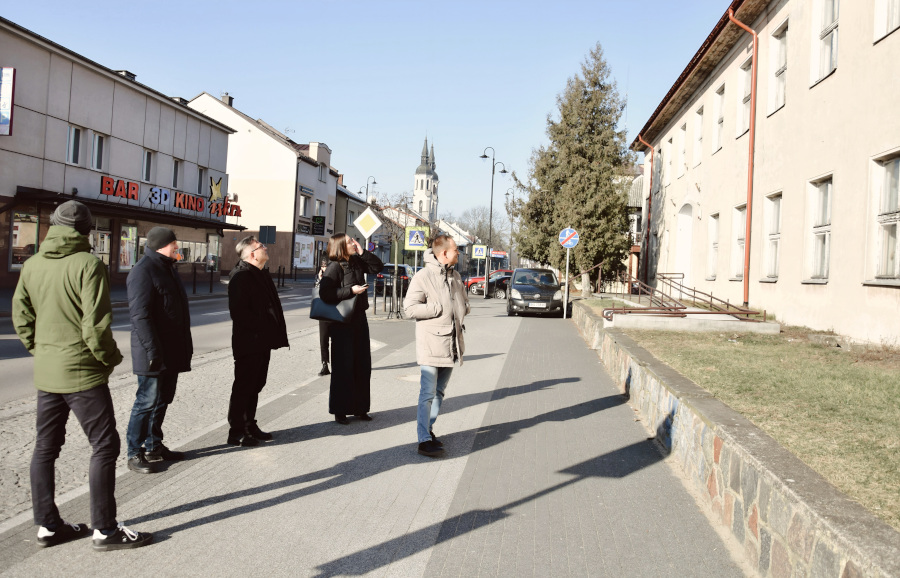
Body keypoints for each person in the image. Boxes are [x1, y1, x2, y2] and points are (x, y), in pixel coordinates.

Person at [12, 200, 151, 550]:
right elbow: (96, 326)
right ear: (87, 229)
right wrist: (109, 359)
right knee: (104, 445)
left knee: (45, 447)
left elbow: (21, 316)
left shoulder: (31, 264)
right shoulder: (89, 264)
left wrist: (40, 349)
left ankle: (47, 525)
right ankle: (104, 529)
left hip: (47, 370)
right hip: (83, 372)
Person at [125, 227, 193, 474]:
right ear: (161, 245)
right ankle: (134, 452)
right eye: (174, 243)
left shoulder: (168, 269)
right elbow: (140, 317)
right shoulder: (143, 271)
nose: (177, 247)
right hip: (152, 352)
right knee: (146, 401)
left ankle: (154, 445)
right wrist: (153, 352)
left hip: (172, 350)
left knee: (163, 399)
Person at [403, 234, 470, 457]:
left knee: (439, 392)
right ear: (443, 254)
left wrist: (463, 308)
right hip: (431, 343)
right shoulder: (423, 276)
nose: (458, 253)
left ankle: (428, 431)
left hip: (451, 343)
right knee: (427, 393)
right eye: (455, 250)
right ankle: (423, 439)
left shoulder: (456, 276)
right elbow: (409, 308)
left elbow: (464, 303)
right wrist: (436, 309)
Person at [227, 236, 289, 446]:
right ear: (252, 254)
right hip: (249, 342)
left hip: (262, 341)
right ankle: (237, 430)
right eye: (261, 246)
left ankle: (250, 424)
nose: (265, 247)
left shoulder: (260, 273)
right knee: (244, 385)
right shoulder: (241, 276)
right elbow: (240, 313)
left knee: (256, 384)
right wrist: (262, 328)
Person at [318, 233, 383, 424]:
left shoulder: (356, 261)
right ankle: (340, 410)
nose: (353, 243)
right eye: (349, 242)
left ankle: (360, 408)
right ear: (340, 246)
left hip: (359, 319)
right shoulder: (334, 267)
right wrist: (350, 291)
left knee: (362, 364)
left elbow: (377, 267)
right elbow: (325, 293)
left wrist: (363, 252)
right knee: (343, 367)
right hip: (342, 322)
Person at [315, 258, 331, 376]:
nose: (324, 269)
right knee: (323, 339)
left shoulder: (335, 276)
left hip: (335, 311)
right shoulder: (319, 279)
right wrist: (320, 280)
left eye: (325, 266)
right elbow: (317, 292)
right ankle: (324, 364)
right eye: (323, 267)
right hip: (324, 312)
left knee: (336, 339)